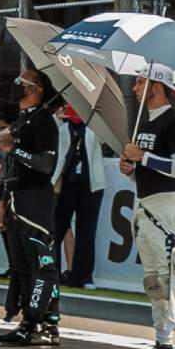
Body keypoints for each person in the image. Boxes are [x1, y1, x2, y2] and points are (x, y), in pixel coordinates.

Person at [118, 77, 175, 349]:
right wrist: (129, 168)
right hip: (145, 202)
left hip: (167, 205)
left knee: (174, 274)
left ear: (157, 87)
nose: (135, 89)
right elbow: (141, 169)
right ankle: (163, 342)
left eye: (140, 83)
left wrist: (144, 157)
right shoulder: (143, 124)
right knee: (154, 278)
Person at [0, 67, 62, 346]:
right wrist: (2, 203)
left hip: (35, 201)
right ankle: (26, 322)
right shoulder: (22, 120)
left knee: (40, 263)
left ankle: (46, 323)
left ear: (35, 89)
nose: (15, 85)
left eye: (20, 81)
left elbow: (46, 164)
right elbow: (11, 169)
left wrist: (14, 149)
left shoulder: (45, 121)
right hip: (15, 200)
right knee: (20, 265)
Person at [54, 105, 108, 287]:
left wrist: (96, 120)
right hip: (66, 183)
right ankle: (51, 272)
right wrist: (58, 117)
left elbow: (104, 140)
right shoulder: (62, 128)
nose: (75, 113)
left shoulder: (94, 129)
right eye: (71, 109)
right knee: (57, 228)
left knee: (87, 231)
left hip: (91, 185)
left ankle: (83, 276)